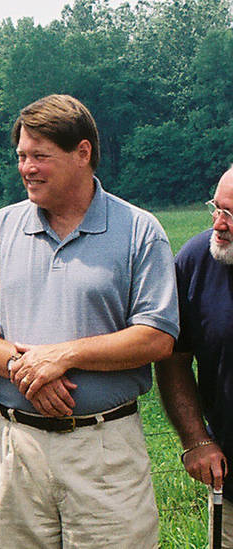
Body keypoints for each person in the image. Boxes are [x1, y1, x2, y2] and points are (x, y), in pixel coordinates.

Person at [0, 94, 178, 547]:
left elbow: (156, 338)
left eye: (40, 156)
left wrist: (63, 356)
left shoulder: (138, 230)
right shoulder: (0, 228)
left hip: (104, 451)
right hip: (16, 448)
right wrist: (26, 368)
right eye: (21, 156)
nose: (27, 168)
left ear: (82, 153)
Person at [157, 164, 233, 547]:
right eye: (216, 208)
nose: (219, 224)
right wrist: (196, 438)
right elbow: (173, 358)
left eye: (231, 215)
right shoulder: (197, 261)